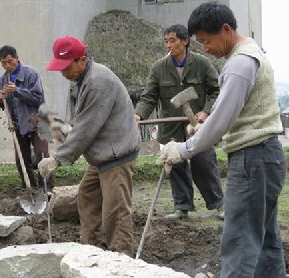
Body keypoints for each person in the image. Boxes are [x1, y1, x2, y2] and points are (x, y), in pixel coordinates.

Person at [158, 3, 286, 277]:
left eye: (206, 41)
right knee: (265, 239)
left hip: (253, 158)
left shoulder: (240, 63)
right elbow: (232, 112)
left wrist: (184, 148)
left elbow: (223, 119)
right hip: (266, 156)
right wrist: (204, 125)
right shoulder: (249, 53)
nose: (204, 49)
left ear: (226, 30)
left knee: (239, 240)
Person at [38, 36, 141, 256]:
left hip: (116, 156)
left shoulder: (98, 81)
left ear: (81, 60)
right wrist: (67, 128)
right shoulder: (87, 79)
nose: (63, 73)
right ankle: (89, 249)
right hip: (104, 155)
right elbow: (83, 119)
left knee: (116, 211)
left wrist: (56, 158)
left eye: (66, 68)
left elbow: (87, 128)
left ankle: (121, 257)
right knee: (87, 195)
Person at [135, 24, 223, 220]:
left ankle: (218, 204)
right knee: (176, 166)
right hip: (171, 127)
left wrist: (206, 111)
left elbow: (216, 91)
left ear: (185, 41)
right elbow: (149, 96)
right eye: (166, 41)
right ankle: (182, 207)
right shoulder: (159, 68)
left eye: (172, 40)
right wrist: (138, 115)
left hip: (197, 126)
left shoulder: (202, 63)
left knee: (204, 163)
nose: (168, 45)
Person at [0, 45, 51, 189]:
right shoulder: (3, 80)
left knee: (42, 155)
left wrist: (17, 90)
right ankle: (30, 189)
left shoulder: (31, 73)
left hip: (37, 120)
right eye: (3, 63)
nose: (7, 65)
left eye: (10, 61)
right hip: (18, 123)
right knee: (21, 159)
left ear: (16, 58)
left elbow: (38, 97)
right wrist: (0, 99)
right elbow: (3, 105)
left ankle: (47, 189)